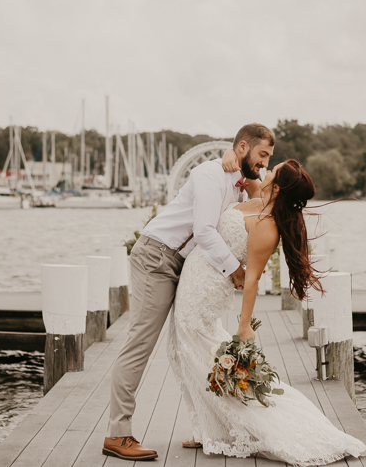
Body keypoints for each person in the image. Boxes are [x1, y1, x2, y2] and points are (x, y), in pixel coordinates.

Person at [166, 159, 366, 465]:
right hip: (195, 278)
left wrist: (244, 324)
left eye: (274, 169)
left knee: (198, 354)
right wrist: (227, 153)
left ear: (278, 185)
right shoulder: (258, 197)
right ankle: (207, 428)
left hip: (206, 292)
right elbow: (240, 170)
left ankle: (220, 429)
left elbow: (252, 279)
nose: (268, 168)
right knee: (187, 353)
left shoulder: (268, 227)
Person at [103, 123, 275, 461]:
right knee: (140, 343)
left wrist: (237, 157)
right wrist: (236, 271)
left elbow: (261, 199)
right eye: (262, 155)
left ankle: (208, 427)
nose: (265, 163)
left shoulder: (240, 181)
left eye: (269, 158)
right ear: (243, 147)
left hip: (181, 264)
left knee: (188, 344)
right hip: (157, 257)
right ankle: (117, 434)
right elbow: (204, 231)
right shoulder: (210, 175)